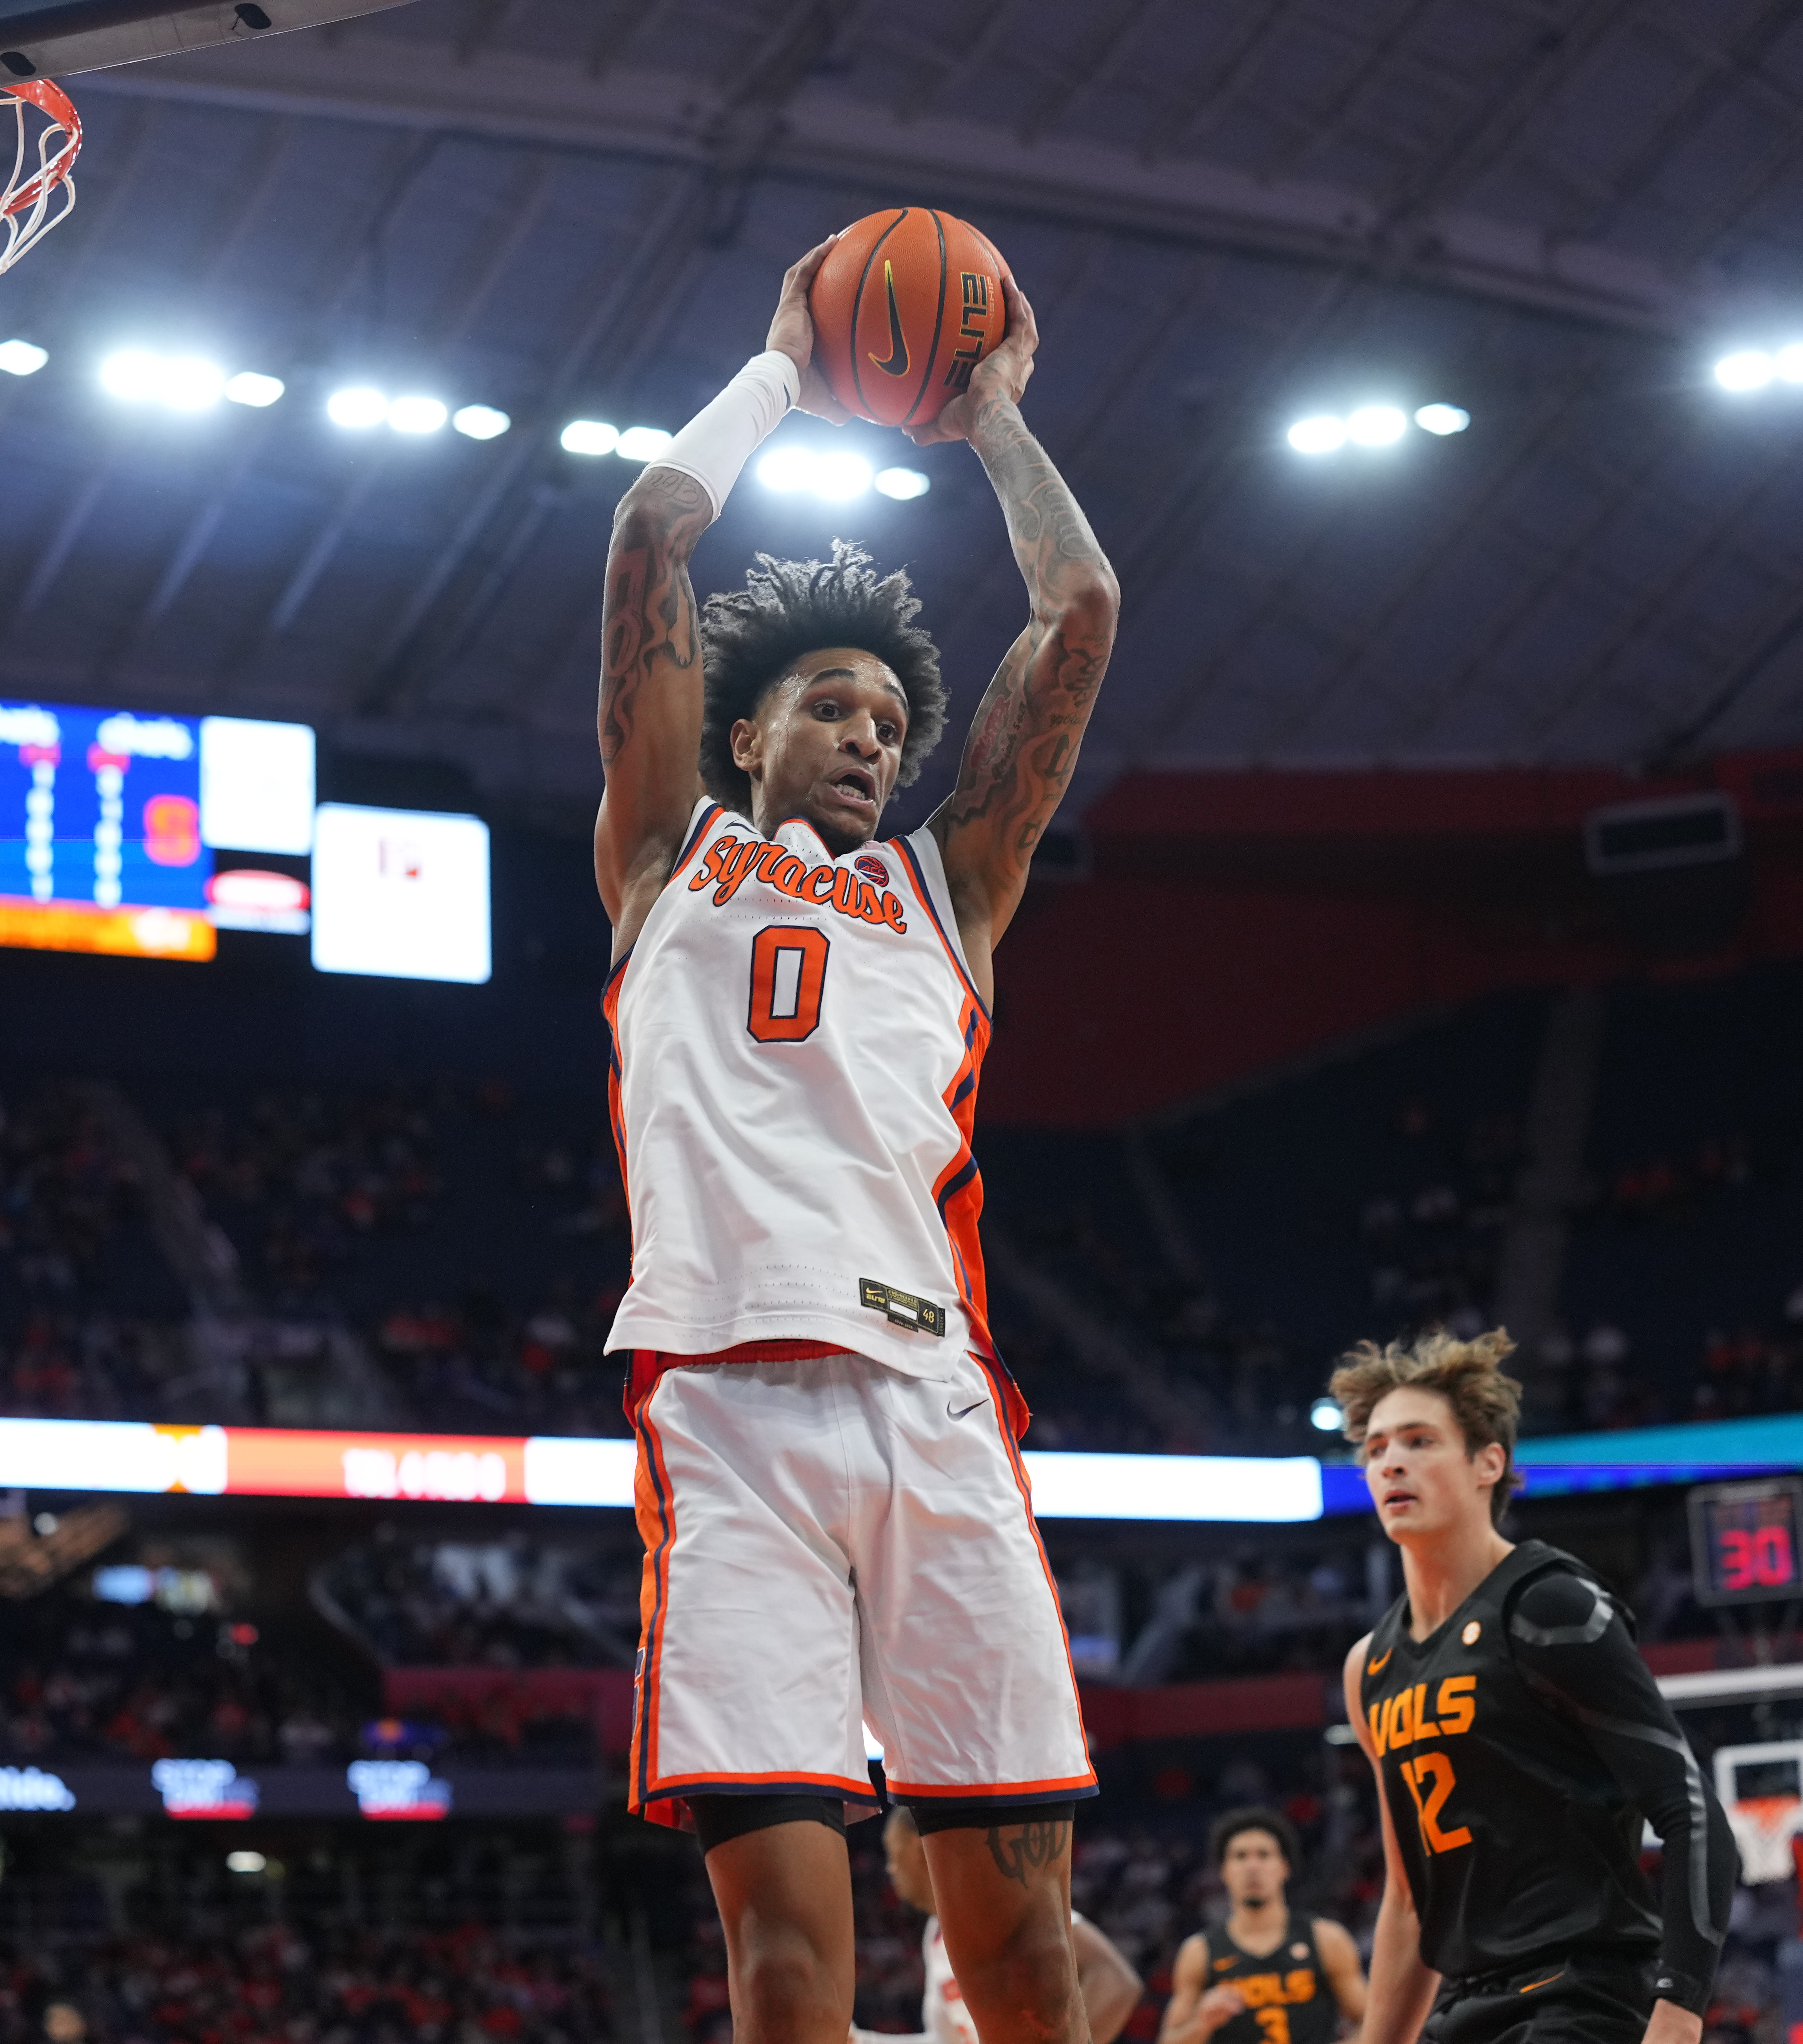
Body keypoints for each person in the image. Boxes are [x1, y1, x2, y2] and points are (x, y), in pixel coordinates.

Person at [593, 227, 1121, 2044]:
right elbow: (655, 533)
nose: (870, 741)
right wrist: (781, 376)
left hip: (934, 1408)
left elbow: (1083, 618)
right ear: (742, 732)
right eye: (832, 707)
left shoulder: (950, 893)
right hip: (727, 1410)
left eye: (894, 723)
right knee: (792, 1959)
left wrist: (990, 418)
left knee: (1025, 1955)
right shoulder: (664, 863)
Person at [1335, 1330, 1735, 2044]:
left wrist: (1678, 2017)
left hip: (1580, 1993)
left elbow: (1692, 1814)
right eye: (1377, 1448)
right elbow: (1406, 1900)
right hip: (1465, 2003)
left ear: (1488, 1462)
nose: (1392, 1460)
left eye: (1420, 1441)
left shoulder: (1547, 1606)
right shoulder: (1369, 1666)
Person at [853, 1804, 1142, 2044]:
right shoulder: (935, 1934)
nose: (891, 1870)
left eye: (893, 1855)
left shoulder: (993, 1904)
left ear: (918, 1851)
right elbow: (946, 2041)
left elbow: (1116, 1981)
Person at [1159, 1807, 1366, 2044]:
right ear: (1224, 1872)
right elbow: (1169, 2040)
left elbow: (1371, 2023)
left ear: (1285, 1867)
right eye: (1240, 1856)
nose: (1252, 1866)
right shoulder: (1199, 1952)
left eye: (1264, 1855)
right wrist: (1202, 2023)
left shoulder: (1326, 1939)